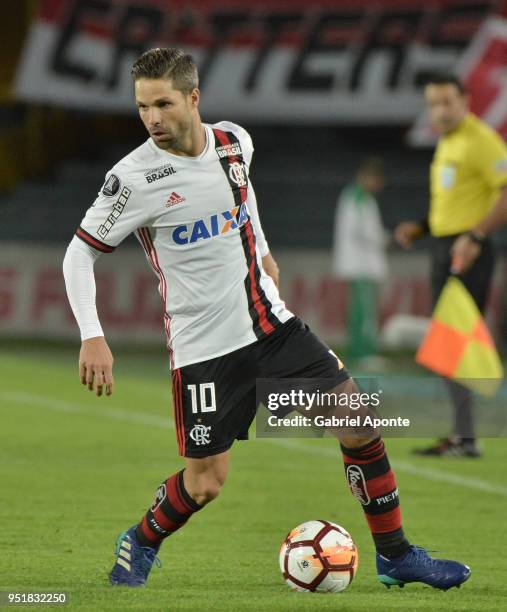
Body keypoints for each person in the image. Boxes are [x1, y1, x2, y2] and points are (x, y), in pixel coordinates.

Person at [63, 48, 469, 590]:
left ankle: (395, 557)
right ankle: (141, 539)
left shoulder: (234, 142)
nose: (152, 119)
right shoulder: (133, 179)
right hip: (203, 347)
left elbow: (243, 196)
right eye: (142, 107)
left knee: (357, 420)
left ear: (193, 98)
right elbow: (78, 254)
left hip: (271, 326)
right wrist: (93, 335)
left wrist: (263, 250)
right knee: (206, 482)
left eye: (163, 103)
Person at [395, 74, 507, 458]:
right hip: (446, 246)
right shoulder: (449, 143)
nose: (439, 111)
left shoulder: (480, 140)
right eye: (432, 104)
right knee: (448, 345)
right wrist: (422, 227)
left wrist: (475, 237)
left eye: (446, 102)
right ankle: (464, 436)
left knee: (453, 343)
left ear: (464, 101)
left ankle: (467, 437)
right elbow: (453, 203)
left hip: (468, 251)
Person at [332, 158, 388, 363]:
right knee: (363, 312)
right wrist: (383, 238)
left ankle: (359, 351)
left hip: (362, 264)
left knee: (361, 310)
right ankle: (363, 353)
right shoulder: (357, 198)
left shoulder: (361, 197)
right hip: (360, 264)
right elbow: (363, 231)